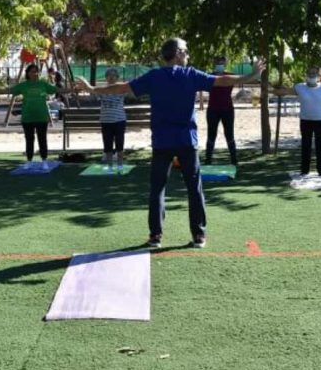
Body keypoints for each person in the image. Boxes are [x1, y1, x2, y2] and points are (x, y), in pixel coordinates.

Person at [77, 38, 265, 249]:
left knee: (158, 189)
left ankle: (155, 236)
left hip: (162, 142)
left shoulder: (155, 76)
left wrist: (93, 89)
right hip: (185, 142)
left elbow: (122, 88)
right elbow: (221, 81)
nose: (188, 55)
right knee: (194, 188)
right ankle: (198, 236)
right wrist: (251, 75)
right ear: (177, 53)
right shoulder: (190, 75)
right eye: (186, 51)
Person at [10, 64, 60, 169]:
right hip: (28, 118)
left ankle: (44, 161)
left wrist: (73, 89)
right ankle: (29, 161)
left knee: (42, 139)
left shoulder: (43, 84)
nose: (35, 73)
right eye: (32, 71)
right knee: (29, 139)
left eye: (36, 71)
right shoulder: (23, 85)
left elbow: (57, 90)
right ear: (28, 73)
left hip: (41, 117)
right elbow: (9, 91)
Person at [204, 55, 238, 166]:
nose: (219, 64)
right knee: (211, 135)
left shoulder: (230, 76)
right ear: (214, 63)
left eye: (222, 62)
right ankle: (208, 161)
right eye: (217, 61)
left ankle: (234, 161)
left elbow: (247, 78)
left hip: (227, 110)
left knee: (229, 134)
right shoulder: (208, 76)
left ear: (225, 63)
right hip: (212, 110)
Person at [97, 67, 128, 172]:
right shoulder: (101, 90)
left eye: (113, 75)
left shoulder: (122, 89)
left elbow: (133, 90)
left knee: (120, 144)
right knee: (107, 145)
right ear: (106, 77)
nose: (111, 77)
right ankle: (110, 166)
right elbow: (90, 96)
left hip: (119, 121)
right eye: (109, 75)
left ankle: (120, 165)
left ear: (117, 77)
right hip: (106, 121)